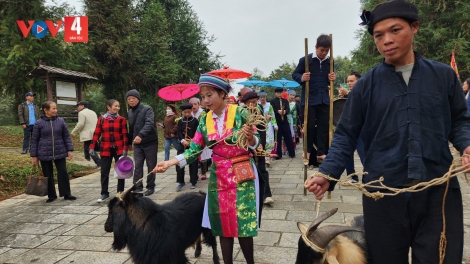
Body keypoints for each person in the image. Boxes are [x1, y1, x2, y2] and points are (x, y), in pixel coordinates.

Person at [305, 1, 470, 263]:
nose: (387, 40)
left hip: (438, 193)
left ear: (414, 27)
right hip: (382, 195)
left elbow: (461, 120)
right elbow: (346, 134)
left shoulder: (443, 77)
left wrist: (466, 145)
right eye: (379, 35)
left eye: (395, 31)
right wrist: (328, 172)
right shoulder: (366, 86)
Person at [153, 74, 263, 264]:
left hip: (241, 172)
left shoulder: (241, 113)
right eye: (202, 97)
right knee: (222, 224)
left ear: (222, 94)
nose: (205, 101)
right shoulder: (204, 120)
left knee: (243, 222)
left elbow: (257, 143)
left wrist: (251, 138)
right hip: (219, 175)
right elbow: (195, 149)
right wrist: (170, 162)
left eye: (209, 95)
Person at [292, 34, 336, 164]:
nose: (324, 53)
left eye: (326, 50)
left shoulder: (330, 61)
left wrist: (332, 79)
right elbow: (295, 74)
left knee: (324, 126)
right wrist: (302, 78)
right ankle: (307, 150)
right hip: (309, 99)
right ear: (316, 47)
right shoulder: (306, 60)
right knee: (309, 126)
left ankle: (321, 152)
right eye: (321, 50)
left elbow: (329, 80)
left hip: (324, 99)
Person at [30, 101, 76, 203]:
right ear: (46, 110)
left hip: (60, 151)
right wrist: (34, 156)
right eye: (53, 108)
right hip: (44, 153)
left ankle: (66, 193)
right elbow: (34, 140)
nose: (55, 110)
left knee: (63, 172)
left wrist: (69, 150)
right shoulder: (39, 123)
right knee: (47, 174)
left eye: (56, 108)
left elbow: (66, 136)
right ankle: (51, 195)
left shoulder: (61, 121)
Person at [89, 99, 128, 202]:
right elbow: (97, 133)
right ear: (108, 107)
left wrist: (125, 149)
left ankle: (120, 192)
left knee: (120, 171)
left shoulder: (121, 119)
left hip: (118, 149)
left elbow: (125, 135)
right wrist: (92, 146)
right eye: (115, 106)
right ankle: (104, 193)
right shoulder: (101, 119)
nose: (117, 108)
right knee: (104, 171)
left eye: (118, 106)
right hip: (105, 148)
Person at [241, 91, 274, 205]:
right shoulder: (240, 115)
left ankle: (267, 195)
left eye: (255, 102)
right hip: (245, 149)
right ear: (245, 104)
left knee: (262, 170)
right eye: (250, 103)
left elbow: (262, 131)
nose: (253, 105)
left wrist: (260, 145)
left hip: (258, 146)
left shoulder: (259, 113)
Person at [126, 89, 158, 197]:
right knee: (138, 165)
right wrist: (129, 142)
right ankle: (137, 187)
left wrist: (141, 135)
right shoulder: (129, 112)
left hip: (150, 142)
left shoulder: (147, 109)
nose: (131, 101)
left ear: (138, 99)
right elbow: (131, 128)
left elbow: (149, 123)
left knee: (151, 165)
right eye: (129, 99)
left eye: (133, 98)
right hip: (137, 145)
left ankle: (150, 187)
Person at [71, 101, 101, 169]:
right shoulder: (93, 112)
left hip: (88, 133)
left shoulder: (81, 113)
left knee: (90, 149)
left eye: (78, 106)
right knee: (89, 147)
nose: (77, 108)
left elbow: (80, 124)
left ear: (82, 106)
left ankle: (99, 163)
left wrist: (73, 132)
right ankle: (87, 157)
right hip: (95, 132)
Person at [176, 103, 199, 190]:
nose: (187, 114)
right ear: (182, 112)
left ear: (191, 111)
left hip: (192, 145)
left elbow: (198, 132)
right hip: (182, 145)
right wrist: (182, 140)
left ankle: (193, 181)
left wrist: (193, 141)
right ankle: (181, 181)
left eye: (188, 112)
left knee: (193, 164)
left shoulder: (195, 121)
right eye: (185, 112)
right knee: (179, 163)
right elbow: (178, 132)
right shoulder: (180, 121)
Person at [270, 87, 295, 159]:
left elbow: (288, 109)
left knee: (288, 137)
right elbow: (272, 110)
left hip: (285, 122)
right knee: (278, 139)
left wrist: (285, 111)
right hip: (277, 122)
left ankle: (291, 153)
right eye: (278, 92)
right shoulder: (272, 101)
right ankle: (278, 154)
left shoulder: (285, 101)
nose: (279, 94)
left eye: (280, 92)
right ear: (275, 93)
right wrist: (277, 111)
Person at [259, 90, 277, 165]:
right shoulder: (257, 105)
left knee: (269, 142)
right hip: (260, 126)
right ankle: (263, 158)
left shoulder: (269, 106)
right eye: (261, 97)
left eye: (264, 97)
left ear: (266, 97)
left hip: (268, 126)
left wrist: (275, 125)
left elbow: (273, 116)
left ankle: (268, 158)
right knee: (262, 141)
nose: (262, 99)